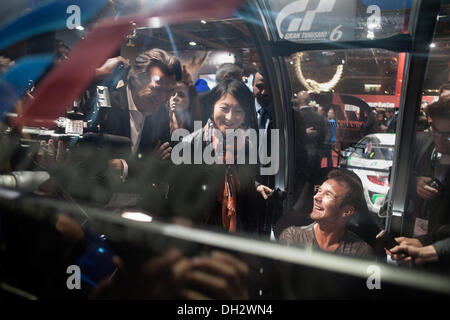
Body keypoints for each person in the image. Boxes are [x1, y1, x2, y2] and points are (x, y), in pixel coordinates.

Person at [168, 79, 267, 234]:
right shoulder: (190, 145)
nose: (230, 117)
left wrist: (254, 186)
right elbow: (177, 200)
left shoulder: (246, 146)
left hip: (235, 236)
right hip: (198, 234)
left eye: (239, 111)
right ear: (212, 107)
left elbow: (241, 182)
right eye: (224, 108)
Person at [279, 169, 375, 258]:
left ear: (347, 211)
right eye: (319, 191)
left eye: (328, 195)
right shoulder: (293, 237)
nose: (316, 197)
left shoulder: (361, 252)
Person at [398, 96, 450, 249]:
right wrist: (414, 182)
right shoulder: (420, 142)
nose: (439, 139)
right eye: (435, 130)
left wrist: (427, 242)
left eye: (448, 135)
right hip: (408, 229)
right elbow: (395, 176)